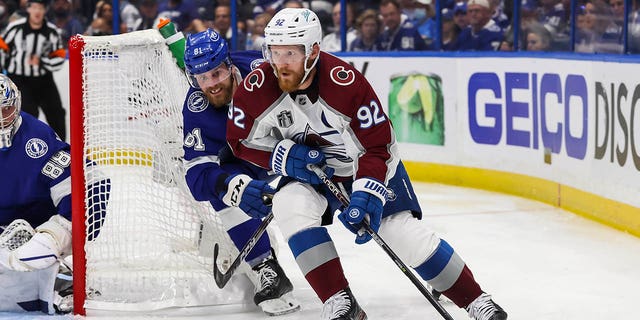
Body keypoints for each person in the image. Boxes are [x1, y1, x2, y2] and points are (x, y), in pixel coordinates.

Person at [226, 8, 508, 320]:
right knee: (288, 203)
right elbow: (240, 140)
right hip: (310, 175)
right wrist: (282, 156)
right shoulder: (257, 86)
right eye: (274, 52)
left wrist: (366, 193)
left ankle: (476, 299)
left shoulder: (345, 84)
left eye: (290, 53)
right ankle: (340, 301)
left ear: (313, 51)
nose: (280, 63)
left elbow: (378, 146)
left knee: (400, 233)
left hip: (365, 168)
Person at [181, 28, 300, 316]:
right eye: (202, 78)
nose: (212, 85)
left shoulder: (265, 72)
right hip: (247, 162)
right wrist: (233, 186)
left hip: (294, 146)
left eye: (217, 73)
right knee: (221, 187)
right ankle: (265, 267)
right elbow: (196, 176)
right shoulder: (197, 108)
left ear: (230, 65)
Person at [0, 74, 72, 314]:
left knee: (49, 276)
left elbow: (86, 182)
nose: (0, 119)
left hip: (36, 229)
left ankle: (61, 277)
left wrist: (56, 233)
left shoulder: (37, 138)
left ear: (17, 104)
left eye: (5, 109)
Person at [0, 0, 67, 140]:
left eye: (40, 8)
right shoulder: (15, 28)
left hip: (44, 79)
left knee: (57, 113)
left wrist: (42, 62)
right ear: (28, 9)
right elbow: (2, 46)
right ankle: (22, 146)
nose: (37, 11)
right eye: (34, 7)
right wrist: (6, 66)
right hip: (20, 79)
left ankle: (61, 148)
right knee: (26, 115)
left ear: (45, 11)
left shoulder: (51, 31)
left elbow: (60, 57)